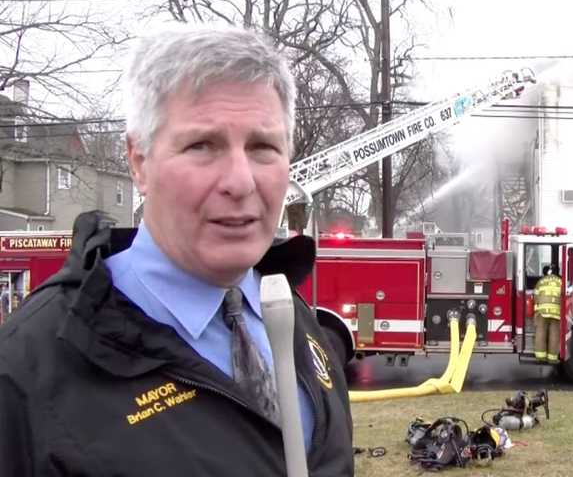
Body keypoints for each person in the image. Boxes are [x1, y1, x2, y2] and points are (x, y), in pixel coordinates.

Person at [0, 24, 353, 476]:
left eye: (263, 147)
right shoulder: (29, 371)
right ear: (139, 163)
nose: (241, 182)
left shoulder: (294, 319)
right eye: (202, 146)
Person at [533, 263, 562, 363]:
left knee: (541, 332)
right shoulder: (561, 281)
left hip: (542, 311)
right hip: (556, 311)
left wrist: (537, 310)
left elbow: (535, 296)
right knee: (554, 333)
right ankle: (552, 358)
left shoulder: (541, 281)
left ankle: (540, 357)